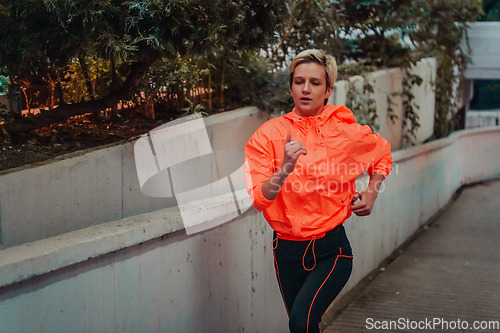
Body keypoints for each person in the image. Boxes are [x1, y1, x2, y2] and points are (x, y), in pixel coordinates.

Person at [244, 49, 392, 333]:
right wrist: (284, 168)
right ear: (290, 86)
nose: (306, 89)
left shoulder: (344, 131)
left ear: (328, 90)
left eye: (315, 82)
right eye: (299, 81)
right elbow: (260, 199)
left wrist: (372, 190)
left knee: (300, 323)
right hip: (285, 251)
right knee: (305, 326)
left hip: (331, 250)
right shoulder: (267, 135)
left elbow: (382, 154)